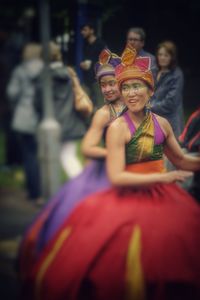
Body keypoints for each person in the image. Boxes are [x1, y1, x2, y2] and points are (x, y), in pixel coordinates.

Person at [19, 44, 200, 300]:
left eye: (134, 86)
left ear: (151, 91)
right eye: (124, 87)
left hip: (160, 194)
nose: (128, 92)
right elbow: (103, 162)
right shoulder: (111, 122)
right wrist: (135, 163)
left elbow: (181, 159)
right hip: (124, 188)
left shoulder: (162, 123)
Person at [18, 48, 125, 280]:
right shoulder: (103, 113)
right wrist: (113, 153)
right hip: (107, 172)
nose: (107, 89)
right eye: (103, 85)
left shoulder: (136, 108)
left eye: (112, 83)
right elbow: (88, 147)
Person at [35, 42, 88, 178]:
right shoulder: (69, 73)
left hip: (52, 123)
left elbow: (38, 103)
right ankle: (81, 187)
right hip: (70, 121)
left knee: (50, 160)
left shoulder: (44, 77)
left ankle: (60, 192)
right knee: (68, 157)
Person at [6, 43, 43, 204]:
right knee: (41, 155)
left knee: (29, 155)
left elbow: (11, 93)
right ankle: (42, 190)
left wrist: (18, 105)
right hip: (42, 117)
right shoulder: (46, 69)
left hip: (24, 116)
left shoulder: (20, 70)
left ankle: (33, 192)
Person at [150, 40, 185, 139]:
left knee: (170, 153)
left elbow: (171, 102)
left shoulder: (177, 75)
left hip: (170, 123)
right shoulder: (154, 70)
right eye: (160, 54)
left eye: (166, 55)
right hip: (154, 120)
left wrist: (149, 107)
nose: (162, 58)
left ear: (172, 57)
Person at [80, 21, 106, 110]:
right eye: (82, 30)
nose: (82, 32)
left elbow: (105, 61)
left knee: (100, 105)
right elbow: (86, 59)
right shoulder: (85, 44)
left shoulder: (100, 44)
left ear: (91, 31)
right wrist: (82, 64)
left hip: (97, 79)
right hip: (87, 79)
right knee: (85, 104)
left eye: (85, 30)